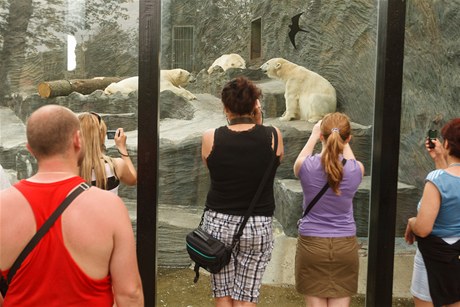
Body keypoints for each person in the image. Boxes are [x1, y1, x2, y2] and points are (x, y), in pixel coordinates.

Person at [0, 105, 143, 306]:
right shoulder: (111, 207)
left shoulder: (3, 207)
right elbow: (130, 293)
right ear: (78, 140)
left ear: (29, 149)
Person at [200, 76, 284, 306]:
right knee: (247, 294)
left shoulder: (211, 137)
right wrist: (259, 119)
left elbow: (211, 167)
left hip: (219, 223)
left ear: (225, 108)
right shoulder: (274, 136)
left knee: (222, 291)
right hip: (257, 224)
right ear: (255, 105)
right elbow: (276, 159)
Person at [293, 112, 365, 307]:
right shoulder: (356, 169)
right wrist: (342, 137)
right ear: (348, 138)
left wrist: (313, 135)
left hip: (311, 246)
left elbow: (300, 160)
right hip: (345, 247)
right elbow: (349, 161)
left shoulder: (305, 166)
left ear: (321, 137)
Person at [405, 118, 460, 307]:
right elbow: (453, 186)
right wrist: (439, 159)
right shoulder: (441, 177)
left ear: (446, 144)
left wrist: (412, 222)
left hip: (432, 260)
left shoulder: (436, 180)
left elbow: (423, 229)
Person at [78, 112, 137, 194]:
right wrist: (122, 147)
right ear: (101, 135)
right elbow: (133, 180)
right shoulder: (116, 165)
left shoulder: (67, 168)